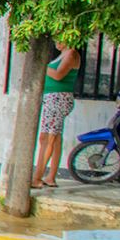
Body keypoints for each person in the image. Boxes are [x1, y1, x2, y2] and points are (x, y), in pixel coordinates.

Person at [32, 42, 81, 189]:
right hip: (52, 98)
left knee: (48, 138)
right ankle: (50, 177)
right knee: (55, 138)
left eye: (59, 39)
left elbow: (59, 75)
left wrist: (42, 67)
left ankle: (37, 178)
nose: (57, 43)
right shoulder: (63, 54)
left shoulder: (71, 54)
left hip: (58, 98)